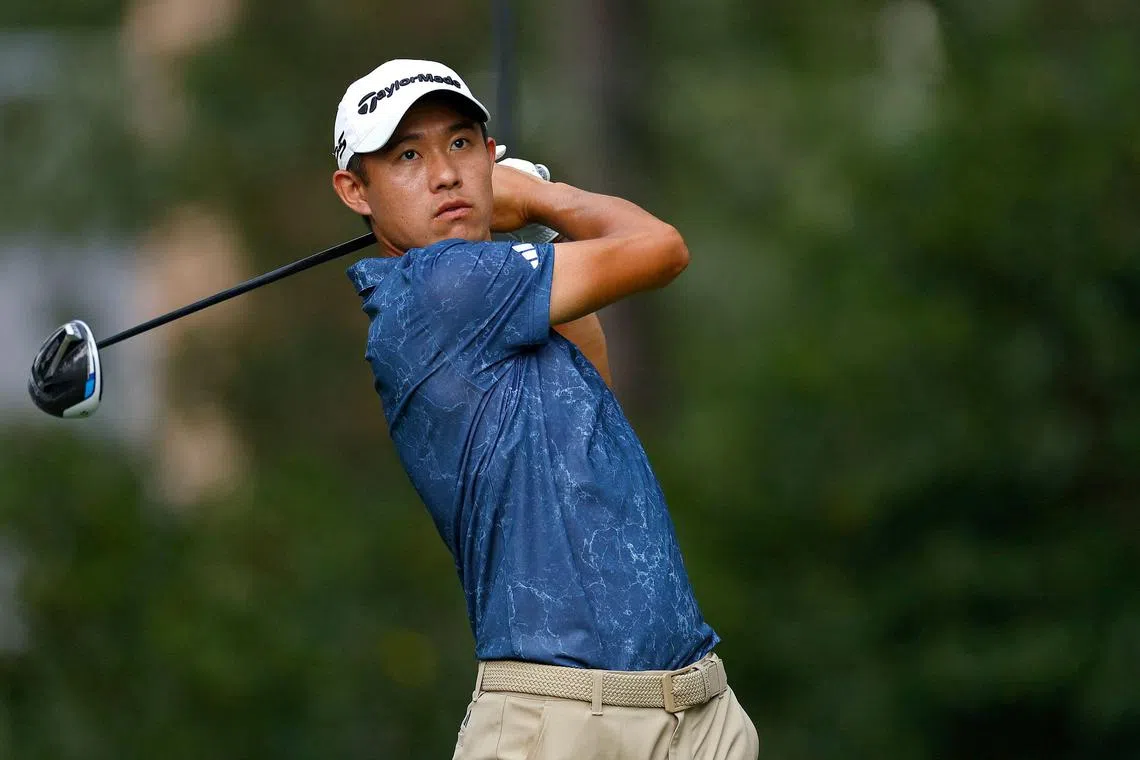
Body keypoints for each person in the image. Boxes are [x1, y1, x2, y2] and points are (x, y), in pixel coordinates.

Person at [331, 58, 759, 760]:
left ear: (487, 156)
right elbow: (662, 249)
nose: (444, 174)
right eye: (407, 155)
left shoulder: (495, 298)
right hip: (560, 724)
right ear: (356, 190)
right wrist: (540, 199)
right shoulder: (436, 289)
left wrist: (529, 235)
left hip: (693, 708)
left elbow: (592, 391)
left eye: (461, 144)